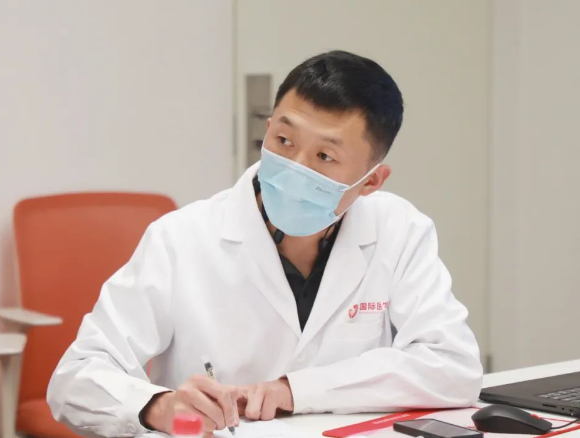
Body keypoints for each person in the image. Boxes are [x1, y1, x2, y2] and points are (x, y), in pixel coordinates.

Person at [48, 50, 482, 438]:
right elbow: (75, 379)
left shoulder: (399, 230)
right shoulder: (181, 238)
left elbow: (453, 366)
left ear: (372, 181)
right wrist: (158, 407)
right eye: (284, 141)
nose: (295, 167)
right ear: (268, 128)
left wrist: (295, 390)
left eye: (325, 157)